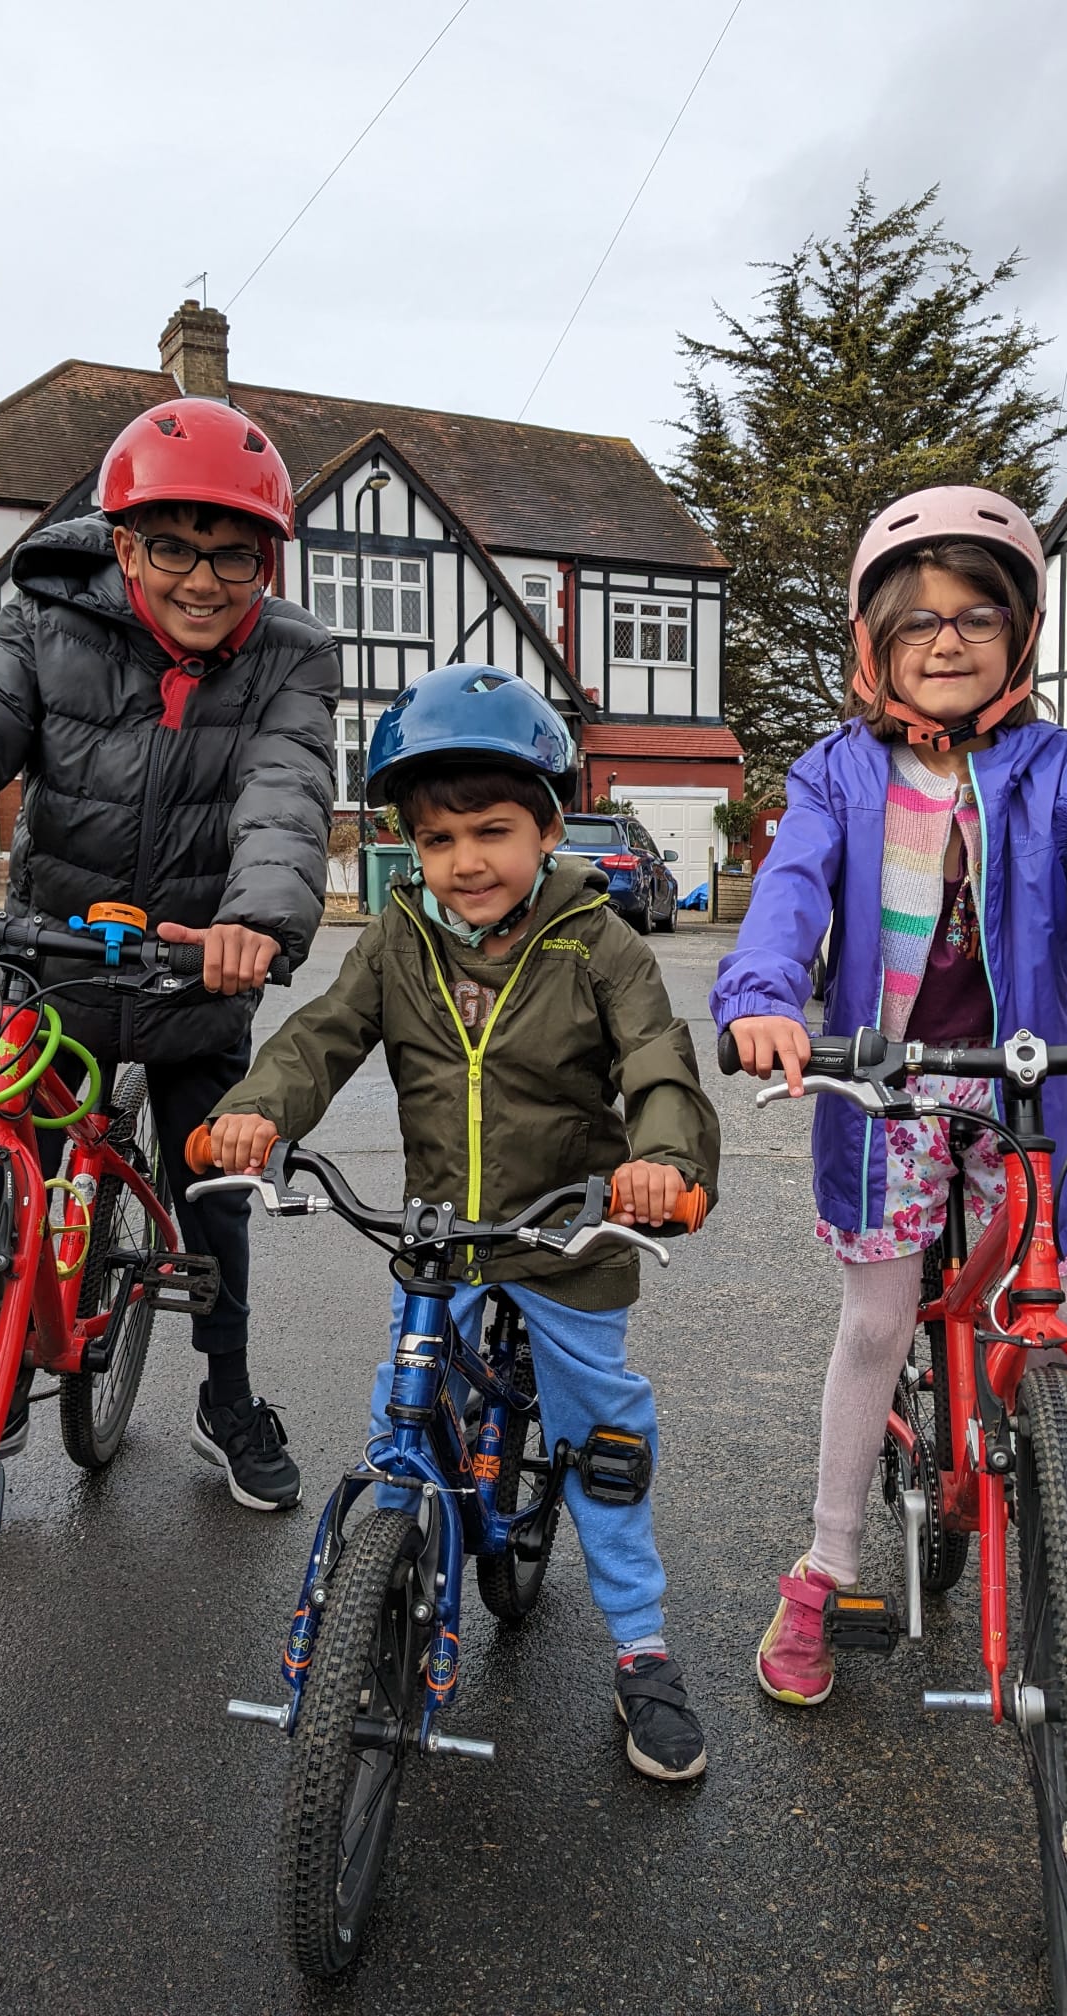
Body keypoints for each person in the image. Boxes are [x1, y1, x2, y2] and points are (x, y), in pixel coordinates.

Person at [710, 484, 1067, 1708]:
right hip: (887, 1081)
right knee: (878, 1319)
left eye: (980, 615)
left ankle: (1064, 1493)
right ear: (873, 643)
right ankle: (828, 1563)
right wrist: (766, 996)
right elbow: (792, 894)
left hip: (1032, 1080)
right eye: (916, 620)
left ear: (1021, 635)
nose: (948, 641)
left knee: (1063, 1317)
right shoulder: (836, 777)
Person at [0, 397, 340, 1512]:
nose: (202, 579)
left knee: (212, 1183)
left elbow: (287, 796)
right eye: (172, 546)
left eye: (235, 555)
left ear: (266, 563)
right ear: (123, 543)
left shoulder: (291, 658)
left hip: (195, 973)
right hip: (53, 964)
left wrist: (259, 924)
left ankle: (224, 1394)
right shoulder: (45, 629)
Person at [206, 664, 721, 1781]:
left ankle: (643, 1648)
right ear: (411, 849)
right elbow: (323, 1037)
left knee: (600, 1444)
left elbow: (655, 1060)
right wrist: (254, 1112)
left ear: (549, 827)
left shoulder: (599, 943)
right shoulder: (399, 941)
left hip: (567, 1236)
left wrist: (662, 1160)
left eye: (494, 830)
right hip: (441, 1238)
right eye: (438, 841)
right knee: (404, 1416)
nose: (466, 861)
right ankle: (389, 1582)